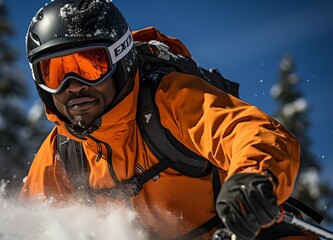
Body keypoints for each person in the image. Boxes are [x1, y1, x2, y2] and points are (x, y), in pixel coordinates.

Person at [20, 0, 320, 239]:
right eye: (54, 73)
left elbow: (247, 131)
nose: (71, 85)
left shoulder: (168, 99)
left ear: (120, 59)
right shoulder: (64, 152)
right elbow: (26, 221)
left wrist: (252, 178)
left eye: (89, 66)